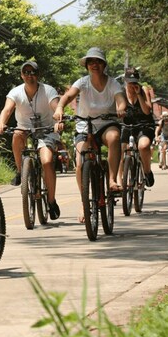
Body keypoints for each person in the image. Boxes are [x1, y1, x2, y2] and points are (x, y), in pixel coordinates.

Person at [53, 47, 126, 222]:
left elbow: (121, 100)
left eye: (98, 62)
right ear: (87, 66)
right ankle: (84, 202)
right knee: (80, 163)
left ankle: (112, 179)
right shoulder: (82, 82)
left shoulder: (113, 83)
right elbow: (68, 96)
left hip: (107, 124)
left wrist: (121, 109)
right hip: (85, 127)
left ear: (104, 65)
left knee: (114, 137)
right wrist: (60, 108)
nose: (94, 65)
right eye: (91, 62)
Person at [0, 60, 63, 220]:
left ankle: (51, 201)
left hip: (46, 128)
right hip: (25, 127)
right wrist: (1, 123)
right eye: (26, 72)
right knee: (17, 134)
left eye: (32, 72)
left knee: (46, 162)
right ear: (21, 75)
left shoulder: (48, 90)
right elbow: (7, 109)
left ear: (38, 75)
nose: (29, 75)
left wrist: (59, 119)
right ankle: (21, 172)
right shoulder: (16, 92)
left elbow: (56, 106)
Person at [121, 67, 155, 187]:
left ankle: (147, 172)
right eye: (130, 82)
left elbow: (146, 111)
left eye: (135, 81)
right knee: (120, 149)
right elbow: (118, 110)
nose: (132, 84)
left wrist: (138, 94)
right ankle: (120, 181)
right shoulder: (120, 92)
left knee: (143, 146)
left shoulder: (143, 90)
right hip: (128, 125)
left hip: (144, 125)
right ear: (125, 81)